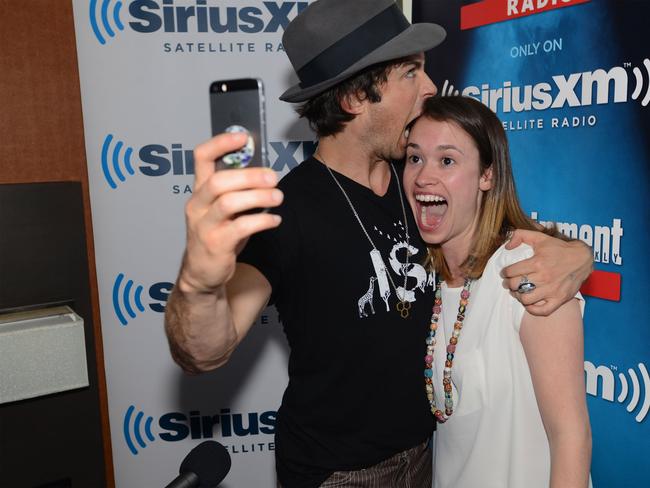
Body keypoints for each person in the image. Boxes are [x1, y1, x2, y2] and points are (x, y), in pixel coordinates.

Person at [164, 1, 593, 486]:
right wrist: (199, 284)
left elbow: (496, 229)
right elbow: (203, 351)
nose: (430, 88)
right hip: (339, 475)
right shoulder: (285, 211)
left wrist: (577, 254)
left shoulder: (417, 178)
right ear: (354, 98)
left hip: (429, 456)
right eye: (410, 72)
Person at [403, 95, 591, 487]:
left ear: (487, 176)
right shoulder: (429, 279)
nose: (423, 176)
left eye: (447, 160)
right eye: (415, 157)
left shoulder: (527, 268)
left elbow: (570, 437)